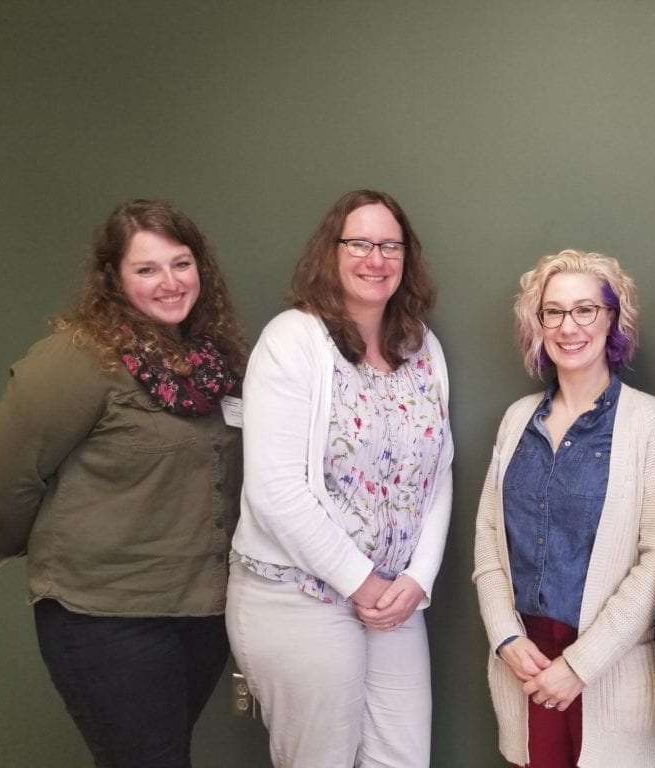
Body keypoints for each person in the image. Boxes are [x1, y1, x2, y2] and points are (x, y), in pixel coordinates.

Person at [0, 199, 248, 767]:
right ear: (113, 277)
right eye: (146, 269)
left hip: (202, 611)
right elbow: (6, 478)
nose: (169, 282)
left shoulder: (217, 362)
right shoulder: (78, 360)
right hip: (104, 615)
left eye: (181, 264)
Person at [226, 189, 453, 768]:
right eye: (359, 243)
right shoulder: (292, 341)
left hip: (395, 601)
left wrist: (419, 578)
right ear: (331, 252)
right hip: (299, 596)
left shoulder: (421, 346)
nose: (375, 259)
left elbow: (438, 469)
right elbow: (276, 491)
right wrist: (363, 583)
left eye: (390, 245)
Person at [473, 250, 655, 768]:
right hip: (524, 662)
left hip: (608, 667)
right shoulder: (517, 419)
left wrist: (579, 665)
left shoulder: (653, 424)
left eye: (586, 310)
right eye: (553, 312)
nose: (569, 326)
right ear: (537, 323)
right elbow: (488, 534)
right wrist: (504, 635)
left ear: (613, 318)